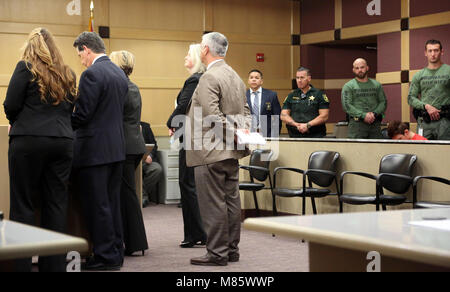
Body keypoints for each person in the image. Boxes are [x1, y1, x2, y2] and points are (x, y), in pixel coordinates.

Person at [4, 27, 77, 272]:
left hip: (28, 142)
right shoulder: (68, 73)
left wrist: (16, 122)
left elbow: (11, 104)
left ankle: (22, 266)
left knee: (22, 205)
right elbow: (69, 110)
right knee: (56, 205)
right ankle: (54, 266)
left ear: (30, 47)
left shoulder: (25, 67)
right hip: (62, 143)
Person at [186, 32, 251, 266]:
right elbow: (246, 114)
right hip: (231, 152)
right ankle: (232, 250)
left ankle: (216, 253)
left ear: (205, 49)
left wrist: (233, 136)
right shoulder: (235, 76)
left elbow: (213, 116)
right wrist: (240, 136)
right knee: (231, 202)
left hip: (209, 152)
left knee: (213, 204)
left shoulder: (208, 77)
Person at [72, 32, 128, 271]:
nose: (80, 61)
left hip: (95, 151)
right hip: (116, 149)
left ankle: (105, 256)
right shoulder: (119, 73)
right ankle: (116, 251)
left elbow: (83, 114)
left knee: (98, 204)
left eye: (79, 55)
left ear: (86, 49)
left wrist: (63, 118)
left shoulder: (92, 74)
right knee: (112, 204)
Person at [167, 44, 207, 248]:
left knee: (187, 184)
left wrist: (170, 123)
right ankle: (199, 232)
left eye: (187, 55)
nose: (184, 57)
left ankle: (195, 234)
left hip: (191, 139)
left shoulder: (194, 79)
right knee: (196, 186)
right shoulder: (205, 78)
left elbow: (183, 106)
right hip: (203, 139)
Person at [110, 50, 148, 256]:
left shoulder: (118, 87)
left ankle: (135, 242)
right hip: (134, 144)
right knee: (128, 194)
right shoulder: (133, 86)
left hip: (123, 145)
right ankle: (135, 242)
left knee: (126, 196)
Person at [408, 39, 450, 140]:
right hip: (425, 122)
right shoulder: (419, 75)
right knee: (424, 153)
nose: (433, 54)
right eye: (430, 51)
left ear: (442, 52)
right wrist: (426, 106)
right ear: (425, 53)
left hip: (445, 122)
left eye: (436, 50)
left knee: (445, 153)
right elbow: (410, 98)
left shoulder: (448, 71)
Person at [342, 58, 387, 139]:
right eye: (357, 68)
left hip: (375, 124)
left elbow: (383, 102)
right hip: (356, 125)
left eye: (362, 67)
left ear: (367, 68)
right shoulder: (348, 86)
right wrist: (363, 115)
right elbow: (347, 106)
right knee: (356, 150)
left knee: (377, 150)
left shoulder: (377, 85)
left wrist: (374, 113)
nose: (360, 70)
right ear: (353, 70)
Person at [281, 67, 330, 138]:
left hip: (315, 135)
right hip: (295, 135)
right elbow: (283, 115)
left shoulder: (319, 94)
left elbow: (324, 116)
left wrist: (307, 125)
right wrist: (296, 125)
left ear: (309, 79)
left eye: (302, 78)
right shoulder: (292, 95)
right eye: (297, 78)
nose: (299, 80)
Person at [246, 69, 281, 137]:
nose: (254, 79)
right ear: (248, 81)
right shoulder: (242, 96)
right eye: (251, 77)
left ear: (261, 81)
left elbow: (277, 117)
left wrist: (274, 136)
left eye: (257, 78)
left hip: (267, 134)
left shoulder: (271, 95)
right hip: (248, 134)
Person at [140, 121, 163, 206]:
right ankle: (142, 197)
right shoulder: (125, 126)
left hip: (146, 160)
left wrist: (150, 155)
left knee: (157, 169)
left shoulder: (145, 126)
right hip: (133, 161)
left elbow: (154, 145)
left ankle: (141, 194)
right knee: (134, 171)